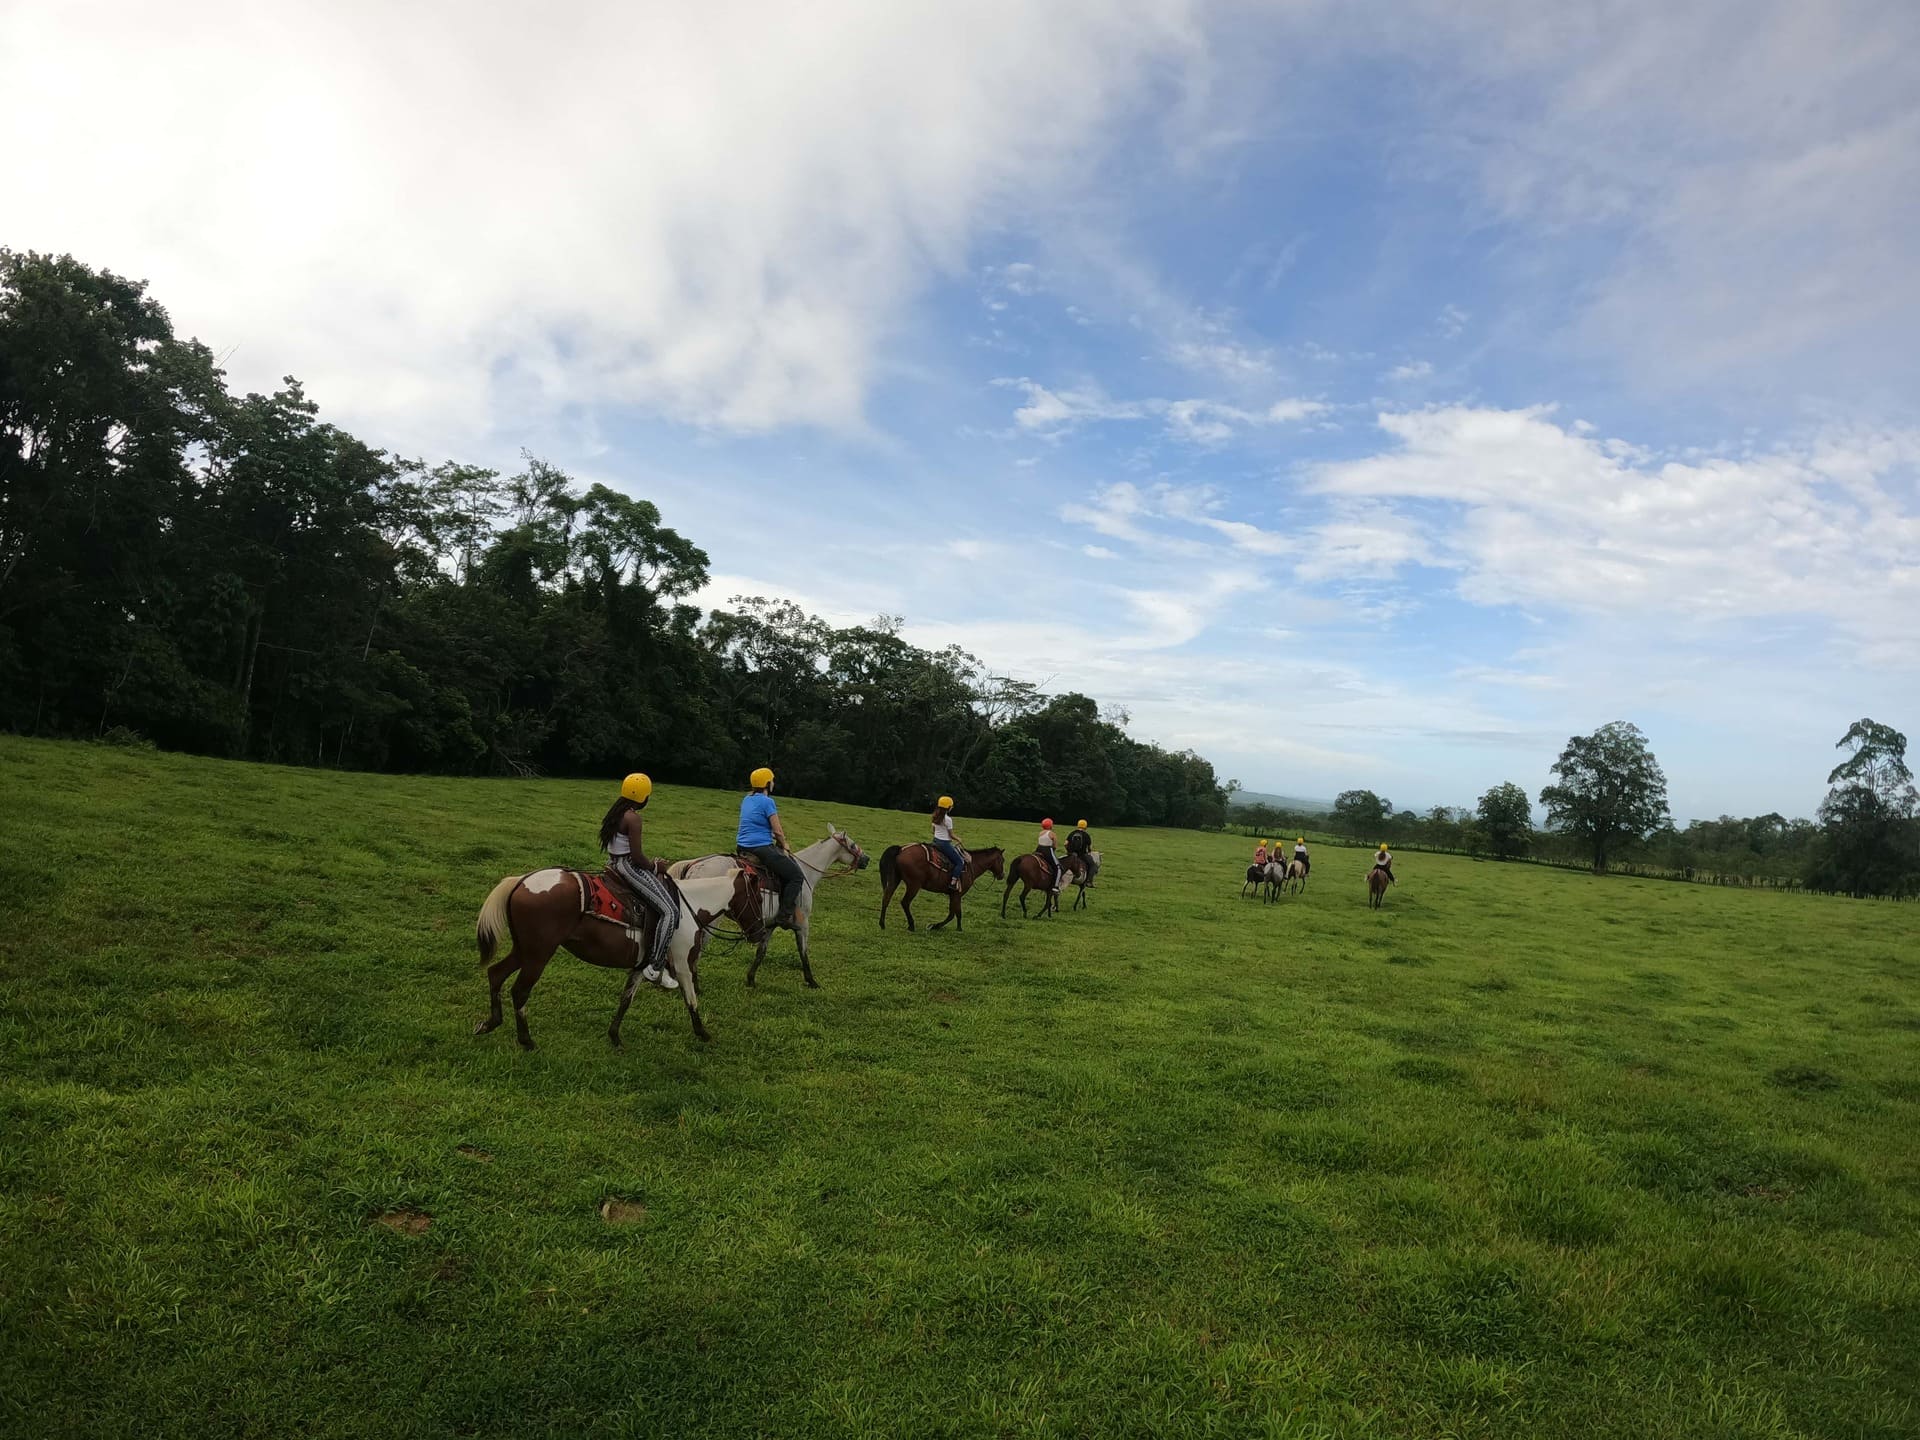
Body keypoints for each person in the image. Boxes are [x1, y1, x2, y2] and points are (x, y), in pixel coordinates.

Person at [599, 772, 680, 991]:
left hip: (613, 863)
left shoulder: (617, 811)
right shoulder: (633, 818)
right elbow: (637, 857)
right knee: (670, 911)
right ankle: (655, 967)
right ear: (644, 797)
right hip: (628, 867)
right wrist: (656, 866)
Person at [736, 766, 806, 928]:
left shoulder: (746, 799)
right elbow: (778, 830)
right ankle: (784, 917)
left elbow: (755, 823)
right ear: (767, 784)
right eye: (772, 780)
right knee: (796, 876)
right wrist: (785, 844)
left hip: (742, 846)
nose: (773, 783)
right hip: (760, 848)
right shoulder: (768, 802)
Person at [931, 796, 965, 893]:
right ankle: (953, 882)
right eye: (951, 806)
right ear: (948, 807)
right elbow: (951, 835)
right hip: (944, 844)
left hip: (935, 841)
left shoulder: (935, 816)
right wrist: (959, 839)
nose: (952, 807)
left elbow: (933, 831)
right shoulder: (948, 819)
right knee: (960, 862)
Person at [1036, 818, 1063, 892]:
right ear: (1051, 825)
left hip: (1038, 849)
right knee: (1058, 867)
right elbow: (1055, 846)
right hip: (1047, 850)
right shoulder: (1052, 834)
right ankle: (1056, 886)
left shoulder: (1040, 833)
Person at [1066, 818, 1094, 885]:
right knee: (1093, 865)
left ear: (1078, 825)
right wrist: (1089, 852)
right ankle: (1088, 881)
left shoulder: (1072, 833)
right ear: (1085, 826)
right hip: (1082, 855)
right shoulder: (1086, 835)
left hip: (1072, 854)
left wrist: (1069, 851)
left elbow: (1065, 843)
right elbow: (1089, 847)